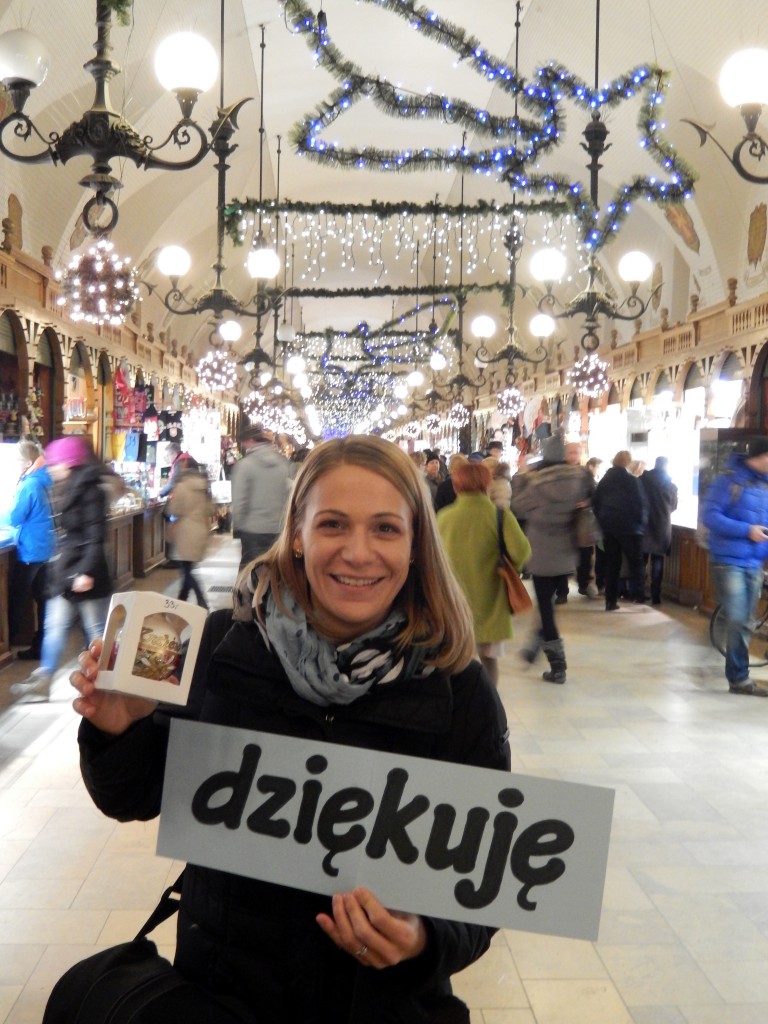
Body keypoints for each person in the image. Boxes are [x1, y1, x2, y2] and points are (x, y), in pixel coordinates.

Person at [69, 435, 511, 1023]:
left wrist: (424, 939)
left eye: (385, 528)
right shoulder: (223, 647)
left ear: (414, 545)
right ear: (297, 535)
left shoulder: (458, 690)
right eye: (333, 525)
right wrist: (120, 732)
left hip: (380, 1008)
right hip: (226, 997)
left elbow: (485, 885)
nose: (358, 552)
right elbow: (132, 797)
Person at [11, 436, 112, 702]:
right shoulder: (65, 486)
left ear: (69, 463)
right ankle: (44, 680)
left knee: (97, 631)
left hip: (87, 575)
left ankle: (109, 682)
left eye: (55, 463)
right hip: (66, 573)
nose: (51, 468)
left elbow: (95, 535)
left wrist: (86, 572)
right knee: (54, 625)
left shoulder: (91, 491)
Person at [437, 460, 530, 686]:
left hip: (452, 602)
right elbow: (522, 552)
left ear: (456, 486)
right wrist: (508, 567)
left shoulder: (443, 517)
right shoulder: (499, 515)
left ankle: (455, 708)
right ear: (486, 485)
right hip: (490, 600)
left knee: (453, 661)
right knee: (489, 661)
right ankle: (489, 708)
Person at [511, 435, 593, 683]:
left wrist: (522, 477)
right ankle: (536, 644)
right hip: (567, 550)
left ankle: (558, 666)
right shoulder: (579, 478)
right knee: (547, 604)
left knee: (545, 608)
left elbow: (518, 506)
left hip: (542, 551)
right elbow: (589, 499)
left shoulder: (536, 482)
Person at [701, 437, 768, 696]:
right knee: (739, 618)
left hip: (754, 562)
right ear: (760, 457)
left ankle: (739, 677)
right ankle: (739, 678)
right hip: (728, 561)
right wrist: (746, 530)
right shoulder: (729, 480)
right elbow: (710, 516)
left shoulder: (764, 485)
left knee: (747, 621)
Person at [3, 440, 54, 660]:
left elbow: (15, 517)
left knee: (16, 597)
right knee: (42, 599)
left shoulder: (29, 484)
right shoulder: (44, 479)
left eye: (16, 461)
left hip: (31, 550)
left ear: (27, 462)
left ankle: (8, 642)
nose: (14, 465)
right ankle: (41, 645)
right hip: (46, 547)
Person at [593, 450, 649, 612]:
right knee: (636, 562)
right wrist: (640, 524)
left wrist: (603, 521)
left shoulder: (604, 481)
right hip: (631, 528)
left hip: (609, 528)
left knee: (612, 564)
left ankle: (611, 601)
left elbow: (596, 503)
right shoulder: (632, 481)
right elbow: (641, 504)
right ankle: (638, 596)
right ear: (627, 463)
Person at [231, 424, 292, 570]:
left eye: (244, 442)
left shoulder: (245, 465)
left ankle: (249, 593)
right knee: (273, 570)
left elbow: (240, 500)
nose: (243, 446)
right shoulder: (282, 464)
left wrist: (238, 525)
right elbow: (287, 494)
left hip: (253, 529)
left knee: (249, 570)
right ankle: (270, 593)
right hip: (277, 528)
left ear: (251, 440)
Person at [165, 455, 214, 609]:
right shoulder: (203, 485)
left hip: (185, 531)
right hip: (200, 528)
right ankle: (183, 599)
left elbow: (174, 510)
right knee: (187, 567)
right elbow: (211, 508)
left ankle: (200, 599)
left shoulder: (181, 486)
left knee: (186, 570)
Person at [640, 456, 679, 605]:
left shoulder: (642, 481)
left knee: (641, 561)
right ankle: (656, 595)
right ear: (666, 467)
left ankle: (639, 592)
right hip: (661, 526)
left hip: (643, 524)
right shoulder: (670, 486)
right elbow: (673, 506)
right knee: (657, 561)